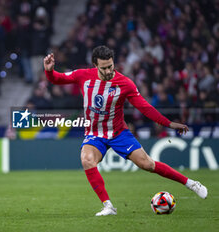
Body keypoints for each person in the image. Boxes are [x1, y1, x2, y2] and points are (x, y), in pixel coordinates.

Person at [43, 45, 208, 216]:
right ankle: (108, 206)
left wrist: (169, 123)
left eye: (110, 66)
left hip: (118, 133)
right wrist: (49, 71)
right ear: (95, 65)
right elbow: (57, 79)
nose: (108, 71)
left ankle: (191, 183)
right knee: (87, 159)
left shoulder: (125, 83)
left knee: (147, 164)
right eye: (104, 67)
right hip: (94, 134)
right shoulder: (83, 75)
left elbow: (144, 107)